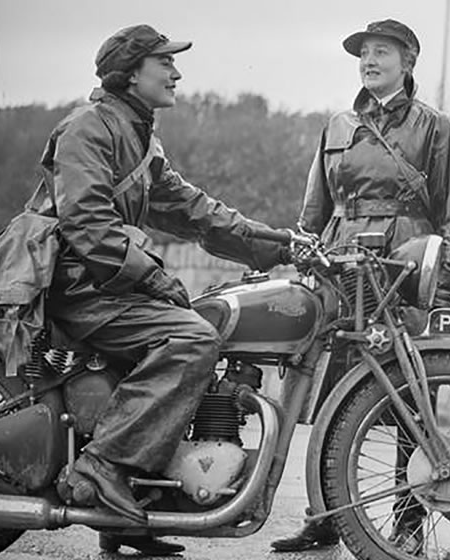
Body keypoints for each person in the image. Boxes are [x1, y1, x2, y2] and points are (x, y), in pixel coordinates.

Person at [27, 24, 291, 554]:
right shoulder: (89, 128)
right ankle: (103, 466)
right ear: (129, 73)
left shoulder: (139, 138)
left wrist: (280, 243)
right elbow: (87, 223)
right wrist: (153, 277)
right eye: (164, 63)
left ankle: (133, 513)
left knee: (196, 321)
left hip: (104, 285)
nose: (176, 72)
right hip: (79, 287)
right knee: (191, 339)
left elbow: (198, 214)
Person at [269, 18, 450, 553]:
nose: (370, 61)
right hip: (343, 266)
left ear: (408, 62)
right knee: (331, 398)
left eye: (382, 52)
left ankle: (407, 524)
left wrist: (446, 284)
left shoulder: (436, 127)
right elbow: (314, 210)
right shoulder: (336, 127)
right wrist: (303, 261)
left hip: (404, 271)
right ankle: (324, 519)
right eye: (363, 53)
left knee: (408, 401)